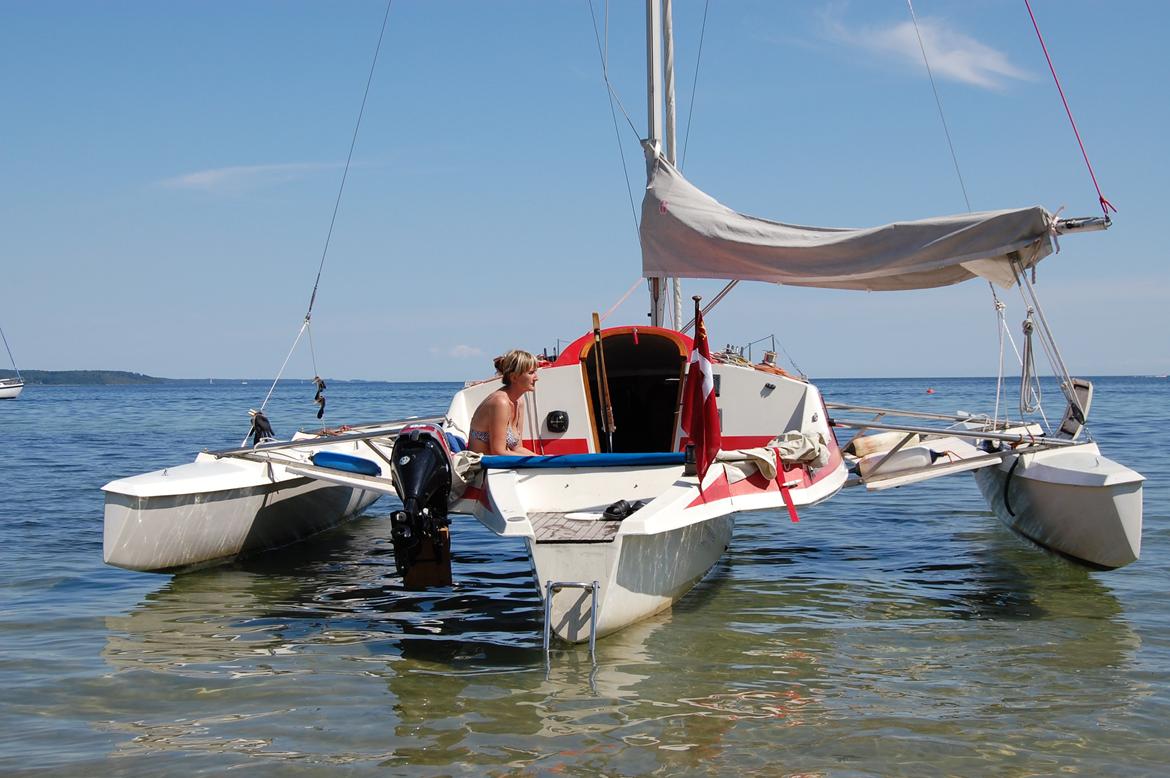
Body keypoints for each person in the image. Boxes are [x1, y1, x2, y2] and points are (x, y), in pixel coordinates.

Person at [467, 350, 539, 455]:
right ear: (514, 377)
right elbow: (498, 452)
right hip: (482, 468)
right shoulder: (500, 402)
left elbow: (517, 448)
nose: (536, 378)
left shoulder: (519, 402)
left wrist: (540, 459)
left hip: (498, 466)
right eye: (531, 373)